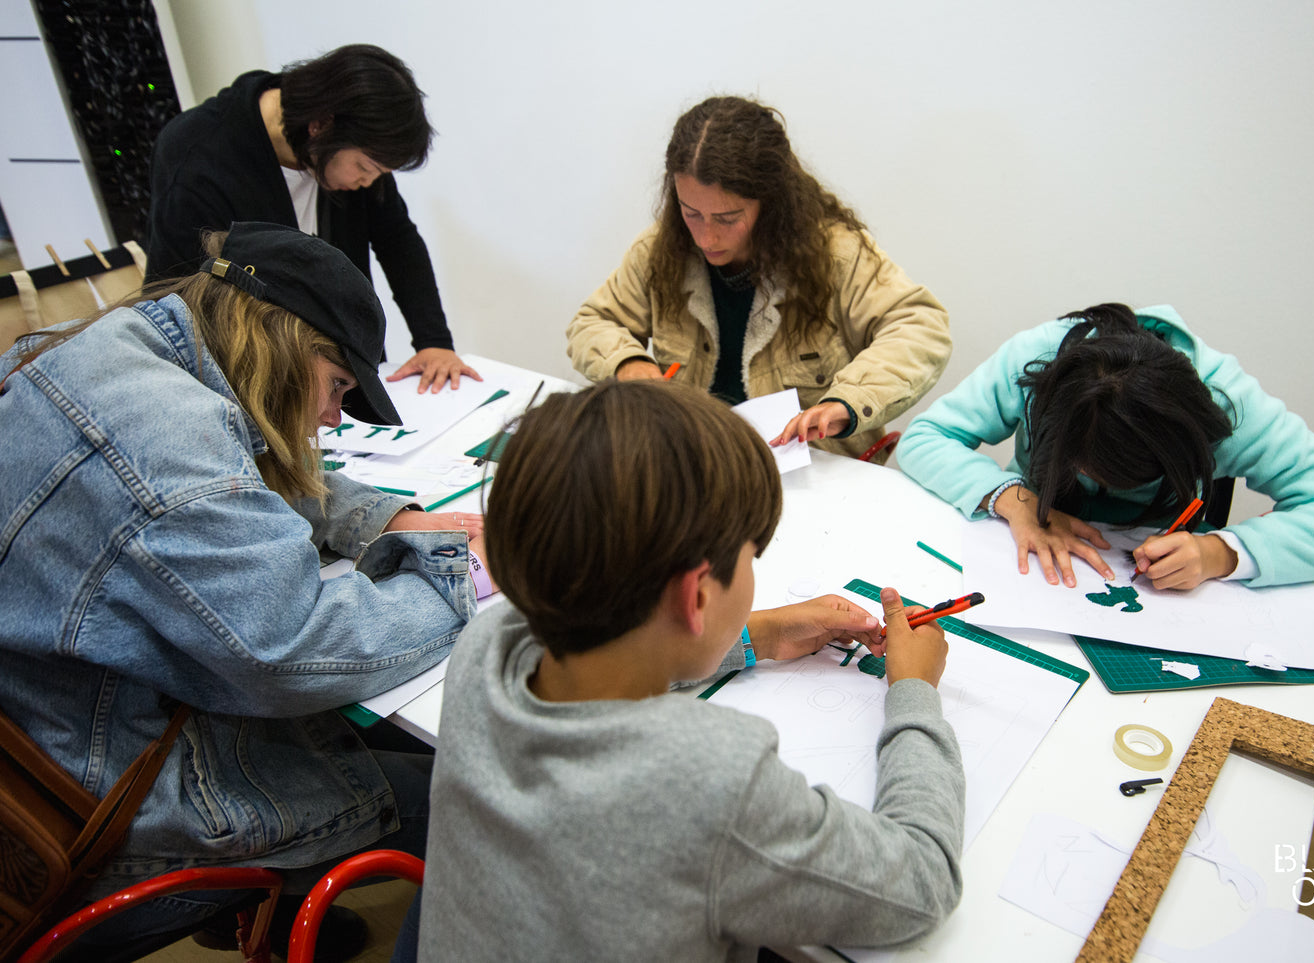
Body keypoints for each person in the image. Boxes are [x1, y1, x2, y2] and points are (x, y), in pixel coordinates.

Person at [0, 222, 491, 953]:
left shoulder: (116, 349)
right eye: (337, 389)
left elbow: (242, 470)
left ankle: (282, 913)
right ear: (287, 344)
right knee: (473, 809)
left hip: (50, 747)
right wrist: (464, 576)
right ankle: (274, 902)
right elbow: (291, 647)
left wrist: (393, 516)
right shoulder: (167, 441)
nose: (331, 418)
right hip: (102, 819)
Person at [420, 380, 965, 961]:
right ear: (696, 595)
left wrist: (758, 634)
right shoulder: (713, 778)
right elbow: (921, 882)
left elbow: (611, 655)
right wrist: (913, 692)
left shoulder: (487, 646)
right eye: (752, 559)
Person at [897, 303, 1314, 590]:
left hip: (1158, 592)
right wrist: (1016, 500)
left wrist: (1219, 553)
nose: (1097, 484)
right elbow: (926, 436)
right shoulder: (1039, 363)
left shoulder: (1231, 407)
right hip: (1028, 572)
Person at [565, 95, 952, 458]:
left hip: (811, 478)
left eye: (727, 218)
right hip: (695, 460)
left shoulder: (836, 253)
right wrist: (627, 364)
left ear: (772, 203)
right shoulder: (662, 248)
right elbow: (594, 321)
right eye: (691, 212)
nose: (706, 237)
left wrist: (847, 400)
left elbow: (921, 327)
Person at [146, 43, 479, 394]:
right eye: (365, 168)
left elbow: (397, 240)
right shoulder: (198, 156)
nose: (367, 182)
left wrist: (434, 341)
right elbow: (176, 297)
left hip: (342, 375)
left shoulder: (353, 144)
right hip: (248, 383)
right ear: (320, 125)